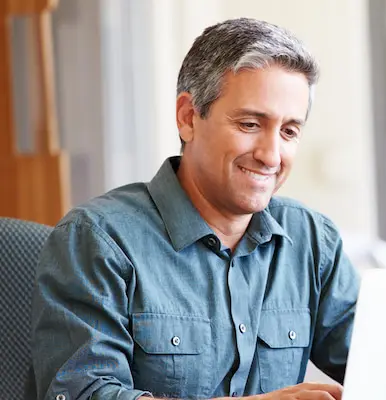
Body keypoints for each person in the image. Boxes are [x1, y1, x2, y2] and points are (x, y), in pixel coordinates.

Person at [30, 17, 360, 400]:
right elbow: (83, 393)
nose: (271, 156)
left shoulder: (313, 241)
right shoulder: (98, 240)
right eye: (250, 124)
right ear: (188, 118)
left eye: (289, 131)